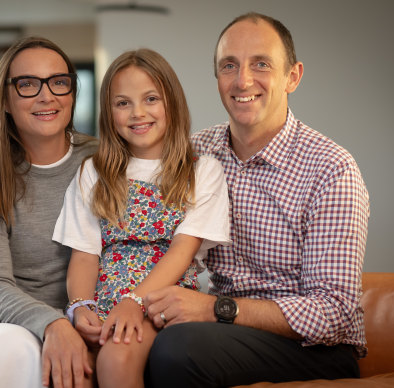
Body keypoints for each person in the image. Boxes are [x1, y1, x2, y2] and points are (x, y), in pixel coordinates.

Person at [144, 12, 370, 387]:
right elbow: (128, 178)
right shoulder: (196, 153)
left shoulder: (331, 169)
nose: (242, 80)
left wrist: (217, 309)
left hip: (313, 350)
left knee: (175, 348)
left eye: (260, 64)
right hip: (220, 334)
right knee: (126, 339)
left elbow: (334, 313)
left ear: (292, 77)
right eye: (229, 65)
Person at [52, 48, 231, 388]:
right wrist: (80, 306)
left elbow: (182, 249)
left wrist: (134, 302)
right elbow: (85, 253)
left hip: (162, 300)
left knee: (117, 358)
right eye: (123, 103)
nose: (137, 113)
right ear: (109, 112)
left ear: (172, 104)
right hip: (104, 299)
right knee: (73, 370)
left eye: (151, 99)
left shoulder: (201, 171)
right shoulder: (94, 172)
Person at [0, 36, 98, 388]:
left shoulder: (103, 159)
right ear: (5, 99)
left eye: (59, 82)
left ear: (72, 93)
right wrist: (53, 324)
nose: (47, 96)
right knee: (14, 350)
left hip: (92, 317)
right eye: (28, 84)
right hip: (4, 324)